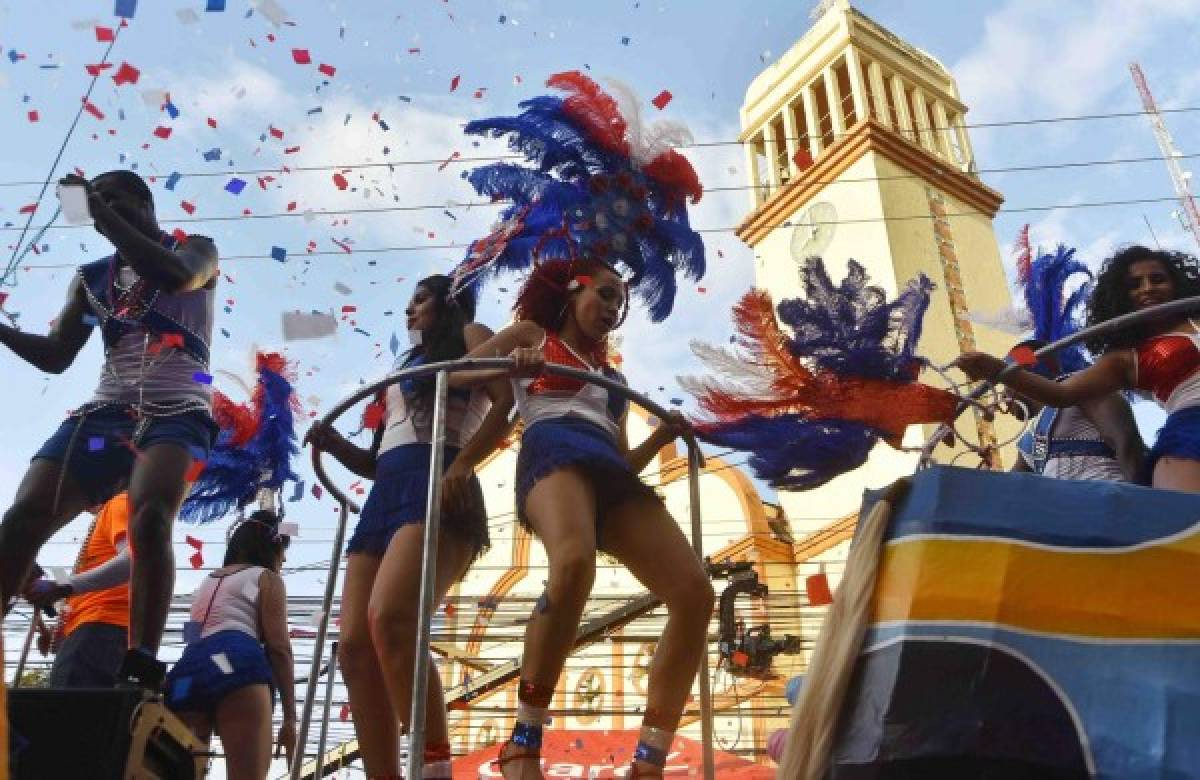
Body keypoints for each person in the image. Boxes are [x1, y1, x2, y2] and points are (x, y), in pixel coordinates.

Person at [456, 258, 715, 779]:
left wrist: (660, 439)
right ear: (572, 293)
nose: (611, 308)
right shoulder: (532, 335)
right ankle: (525, 736)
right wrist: (513, 367)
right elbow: (461, 374)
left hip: (608, 471)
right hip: (552, 450)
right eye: (604, 294)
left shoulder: (613, 379)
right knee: (573, 563)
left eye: (619, 302)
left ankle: (650, 760)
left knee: (695, 593)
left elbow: (622, 463)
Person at [0, 169, 219, 688]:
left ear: (147, 206)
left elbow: (176, 277)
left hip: (179, 410)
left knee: (149, 517)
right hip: (104, 413)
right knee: (27, 512)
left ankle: (141, 655)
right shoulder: (91, 276)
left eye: (118, 200)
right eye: (99, 202)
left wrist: (97, 208)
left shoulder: (195, 249)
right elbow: (57, 356)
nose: (106, 210)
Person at [304, 274, 513, 780]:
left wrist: (462, 467)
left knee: (392, 619)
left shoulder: (471, 334)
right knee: (353, 646)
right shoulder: (403, 368)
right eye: (409, 301)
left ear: (446, 302)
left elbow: (505, 399)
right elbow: (377, 461)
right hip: (386, 492)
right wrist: (332, 444)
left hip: (440, 481)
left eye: (420, 298)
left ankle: (434, 769)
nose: (410, 310)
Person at [956, 246, 1200, 491]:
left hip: (1114, 500)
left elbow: (1127, 445)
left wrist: (1138, 504)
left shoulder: (1087, 391)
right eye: (1134, 285)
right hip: (1186, 436)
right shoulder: (1123, 359)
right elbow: (1013, 487)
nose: (1146, 288)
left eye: (1157, 279)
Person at [165, 511, 296, 779]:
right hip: (237, 664)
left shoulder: (206, 582)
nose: (284, 560)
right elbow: (279, 648)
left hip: (186, 674)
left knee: (181, 770)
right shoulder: (266, 578)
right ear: (272, 547)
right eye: (282, 552)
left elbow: (192, 634)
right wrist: (290, 717)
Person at [22, 493, 134, 687]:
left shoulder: (118, 503)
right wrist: (55, 634)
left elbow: (132, 561)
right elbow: (77, 584)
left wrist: (60, 587)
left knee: (68, 712)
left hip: (99, 627)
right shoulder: (101, 522)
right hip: (93, 631)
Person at [1005, 341, 1145, 482]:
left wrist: (1142, 498)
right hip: (1068, 503)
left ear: (1021, 378)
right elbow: (1010, 486)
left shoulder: (1082, 389)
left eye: (1007, 384)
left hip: (1110, 498)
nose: (1004, 396)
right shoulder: (1030, 439)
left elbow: (1127, 440)